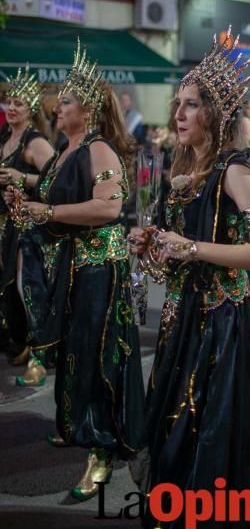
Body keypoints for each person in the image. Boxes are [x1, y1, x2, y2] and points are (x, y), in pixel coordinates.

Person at [129, 27, 250, 529]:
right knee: (174, 427)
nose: (178, 115)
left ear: (215, 113)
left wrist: (192, 248)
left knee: (208, 432)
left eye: (191, 105)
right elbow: (171, 262)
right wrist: (153, 247)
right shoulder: (183, 174)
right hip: (181, 321)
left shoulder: (237, 171)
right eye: (178, 104)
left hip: (220, 327)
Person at [11, 41, 145, 500]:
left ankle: (102, 449)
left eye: (65, 101)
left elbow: (109, 208)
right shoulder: (67, 150)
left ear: (85, 111)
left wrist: (45, 213)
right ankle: (76, 424)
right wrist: (25, 190)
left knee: (95, 355)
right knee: (72, 353)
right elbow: (55, 193)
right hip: (69, 269)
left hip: (97, 270)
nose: (57, 106)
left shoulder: (99, 147)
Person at [0, 68, 54, 363]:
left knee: (25, 286)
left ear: (30, 107)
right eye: (9, 101)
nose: (11, 107)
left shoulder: (35, 143)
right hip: (4, 224)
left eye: (19, 103)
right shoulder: (5, 137)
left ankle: (41, 347)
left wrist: (22, 178)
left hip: (26, 226)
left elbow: (55, 180)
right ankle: (19, 344)